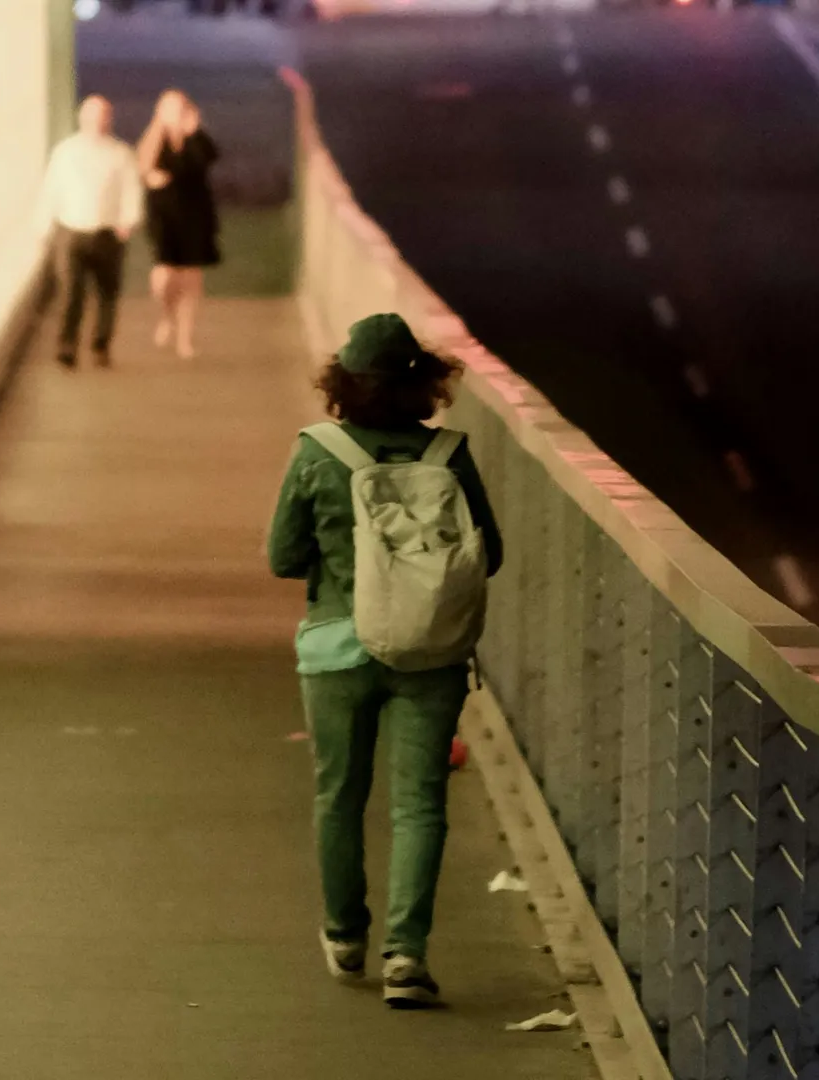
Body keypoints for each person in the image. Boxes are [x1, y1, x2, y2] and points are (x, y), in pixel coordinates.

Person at [265, 313, 504, 1009]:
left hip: (338, 647)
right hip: (430, 652)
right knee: (420, 805)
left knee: (339, 796)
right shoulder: (449, 456)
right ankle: (407, 956)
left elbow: (282, 556)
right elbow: (490, 554)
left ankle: (345, 936)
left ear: (342, 382)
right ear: (424, 383)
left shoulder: (318, 451)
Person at [36, 95, 143, 369]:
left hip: (107, 232)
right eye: (92, 117)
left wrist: (128, 220)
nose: (97, 123)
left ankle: (100, 343)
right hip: (71, 230)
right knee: (71, 291)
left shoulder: (120, 153)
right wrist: (43, 225)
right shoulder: (65, 152)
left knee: (108, 292)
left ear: (109, 120)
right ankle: (67, 345)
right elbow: (52, 190)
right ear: (81, 119)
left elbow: (131, 189)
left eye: (103, 117)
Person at [137, 90, 221, 360]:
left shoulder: (197, 140)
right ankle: (166, 315)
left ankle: (185, 338)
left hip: (194, 216)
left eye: (178, 108)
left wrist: (193, 132)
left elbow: (207, 159)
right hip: (163, 216)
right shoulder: (154, 139)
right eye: (168, 109)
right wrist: (150, 177)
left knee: (191, 279)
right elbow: (144, 167)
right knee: (164, 276)